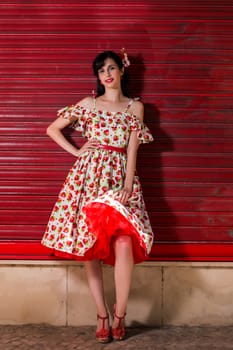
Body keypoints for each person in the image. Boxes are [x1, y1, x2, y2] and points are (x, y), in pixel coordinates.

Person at [41, 49, 154, 343]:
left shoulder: (135, 107)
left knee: (125, 243)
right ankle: (102, 314)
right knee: (88, 246)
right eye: (101, 70)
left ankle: (120, 314)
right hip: (87, 179)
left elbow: (133, 150)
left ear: (121, 71)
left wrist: (129, 183)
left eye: (112, 67)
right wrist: (77, 151)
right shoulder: (89, 103)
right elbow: (53, 129)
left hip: (119, 180)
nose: (107, 74)